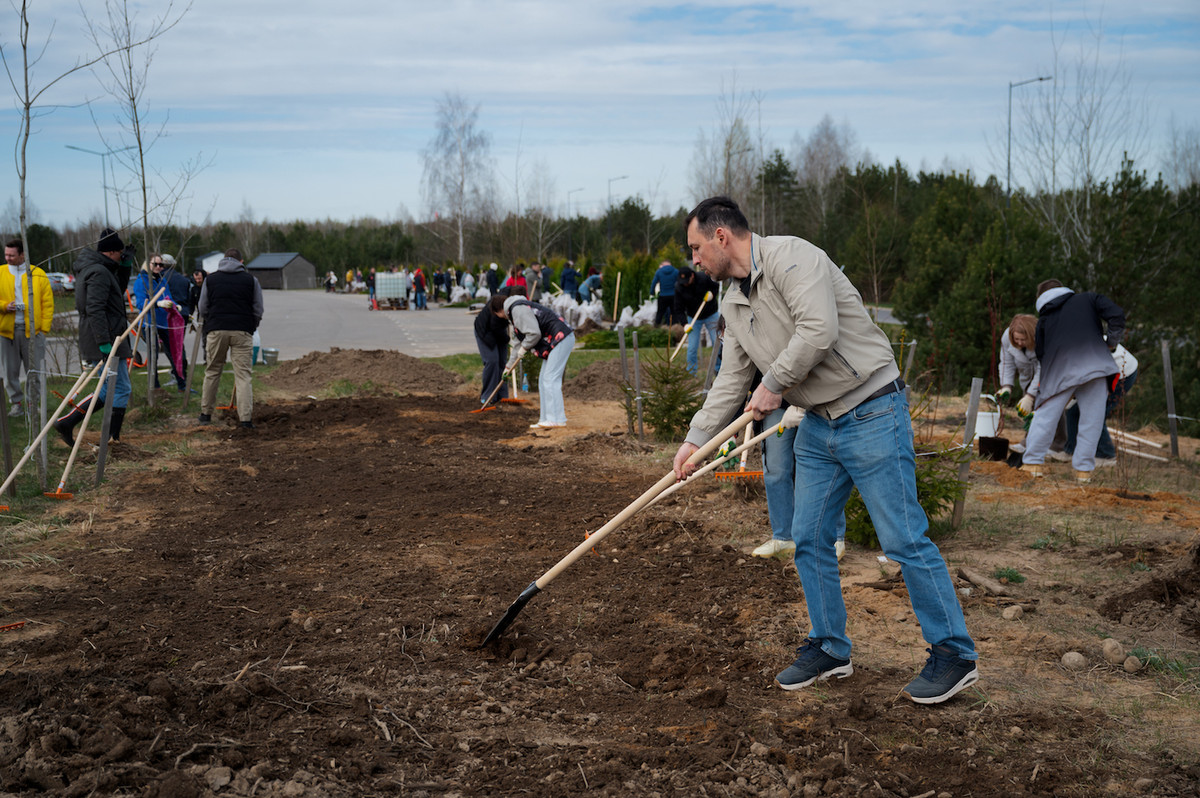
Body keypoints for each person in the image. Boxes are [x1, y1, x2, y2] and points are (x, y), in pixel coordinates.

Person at [671, 197, 977, 705]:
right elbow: (731, 378)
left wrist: (773, 384)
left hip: (871, 409)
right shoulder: (733, 302)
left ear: (721, 236)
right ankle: (831, 647)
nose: (695, 259)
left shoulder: (794, 257)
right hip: (817, 423)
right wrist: (695, 440)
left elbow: (818, 330)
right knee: (808, 539)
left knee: (902, 538)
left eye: (696, 247)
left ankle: (954, 654)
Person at [1019, 280, 1125, 483]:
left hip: (1059, 371)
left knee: (1045, 417)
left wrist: (1049, 389)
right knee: (1092, 420)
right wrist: (1111, 343)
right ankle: (1083, 472)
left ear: (1040, 298)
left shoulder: (1044, 319)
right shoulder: (1089, 299)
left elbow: (1041, 354)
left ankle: (1032, 464)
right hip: (1096, 365)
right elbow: (1117, 314)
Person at [54, 228, 134, 446]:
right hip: (105, 337)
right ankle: (112, 439)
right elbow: (95, 309)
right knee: (121, 388)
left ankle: (67, 422)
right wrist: (104, 343)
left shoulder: (101, 269)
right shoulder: (98, 272)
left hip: (107, 335)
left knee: (108, 388)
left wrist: (125, 267)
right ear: (111, 252)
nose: (121, 256)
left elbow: (116, 291)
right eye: (120, 253)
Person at [197, 248, 263, 429]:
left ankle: (205, 414)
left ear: (223, 260)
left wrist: (212, 321)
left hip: (216, 329)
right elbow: (258, 308)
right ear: (241, 262)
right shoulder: (251, 280)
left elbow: (202, 307)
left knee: (212, 371)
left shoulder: (210, 280)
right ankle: (245, 419)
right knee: (243, 376)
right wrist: (252, 325)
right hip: (242, 330)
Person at [491, 293, 575, 428]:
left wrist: (524, 348)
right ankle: (546, 418)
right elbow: (517, 344)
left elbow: (534, 333)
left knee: (550, 378)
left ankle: (555, 419)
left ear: (499, 311)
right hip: (555, 341)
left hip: (561, 338)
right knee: (543, 380)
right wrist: (508, 367)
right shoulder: (515, 312)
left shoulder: (517, 309)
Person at [997, 313, 1068, 456]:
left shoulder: (1045, 338)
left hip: (1051, 375)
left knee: (1050, 407)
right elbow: (1006, 363)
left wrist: (1030, 396)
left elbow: (1043, 369)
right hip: (1027, 377)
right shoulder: (1007, 338)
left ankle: (1054, 444)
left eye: (1023, 340)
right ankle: (1036, 442)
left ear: (1031, 336)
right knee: (1030, 412)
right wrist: (1006, 386)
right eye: (1016, 339)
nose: (1019, 343)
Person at [0, 238, 53, 417]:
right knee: (10, 372)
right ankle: (16, 404)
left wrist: (43, 329)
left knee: (35, 371)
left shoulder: (37, 274)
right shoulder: (0, 272)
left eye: (11, 255)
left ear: (22, 255)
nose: (7, 258)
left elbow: (47, 303)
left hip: (33, 331)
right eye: (6, 254)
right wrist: (4, 306)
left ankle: (33, 404)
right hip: (6, 332)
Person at [1064, 341, 1137, 466]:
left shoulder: (1078, 353)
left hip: (1122, 373)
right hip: (1102, 371)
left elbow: (1081, 382)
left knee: (1095, 413)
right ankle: (1071, 450)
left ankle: (1106, 455)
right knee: (1072, 411)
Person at [132, 254, 192, 391]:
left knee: (175, 352)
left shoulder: (162, 280)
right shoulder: (141, 282)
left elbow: (168, 297)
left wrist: (175, 306)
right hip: (150, 323)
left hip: (165, 322)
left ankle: (182, 385)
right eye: (155, 264)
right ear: (148, 264)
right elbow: (140, 304)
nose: (159, 267)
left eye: (161, 265)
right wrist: (157, 304)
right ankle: (155, 387)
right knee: (153, 355)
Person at [672, 266, 721, 376]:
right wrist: (685, 324)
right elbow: (678, 309)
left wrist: (712, 295)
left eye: (687, 281)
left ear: (692, 276)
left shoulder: (703, 278)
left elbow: (715, 287)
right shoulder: (679, 287)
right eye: (682, 282)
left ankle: (718, 369)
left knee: (717, 342)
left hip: (711, 314)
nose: (685, 284)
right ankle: (691, 372)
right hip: (693, 317)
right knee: (692, 346)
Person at [474, 287, 511, 406]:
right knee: (492, 361)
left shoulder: (511, 303)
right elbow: (496, 330)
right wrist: (507, 340)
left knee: (502, 363)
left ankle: (502, 395)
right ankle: (488, 396)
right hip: (485, 332)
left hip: (499, 331)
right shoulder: (495, 311)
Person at [650, 260, 679, 325]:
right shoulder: (676, 271)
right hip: (673, 296)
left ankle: (657, 326)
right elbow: (680, 282)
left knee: (660, 313)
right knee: (674, 313)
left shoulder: (659, 272)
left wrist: (652, 293)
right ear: (670, 264)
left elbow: (653, 283)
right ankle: (675, 327)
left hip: (663, 296)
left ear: (663, 265)